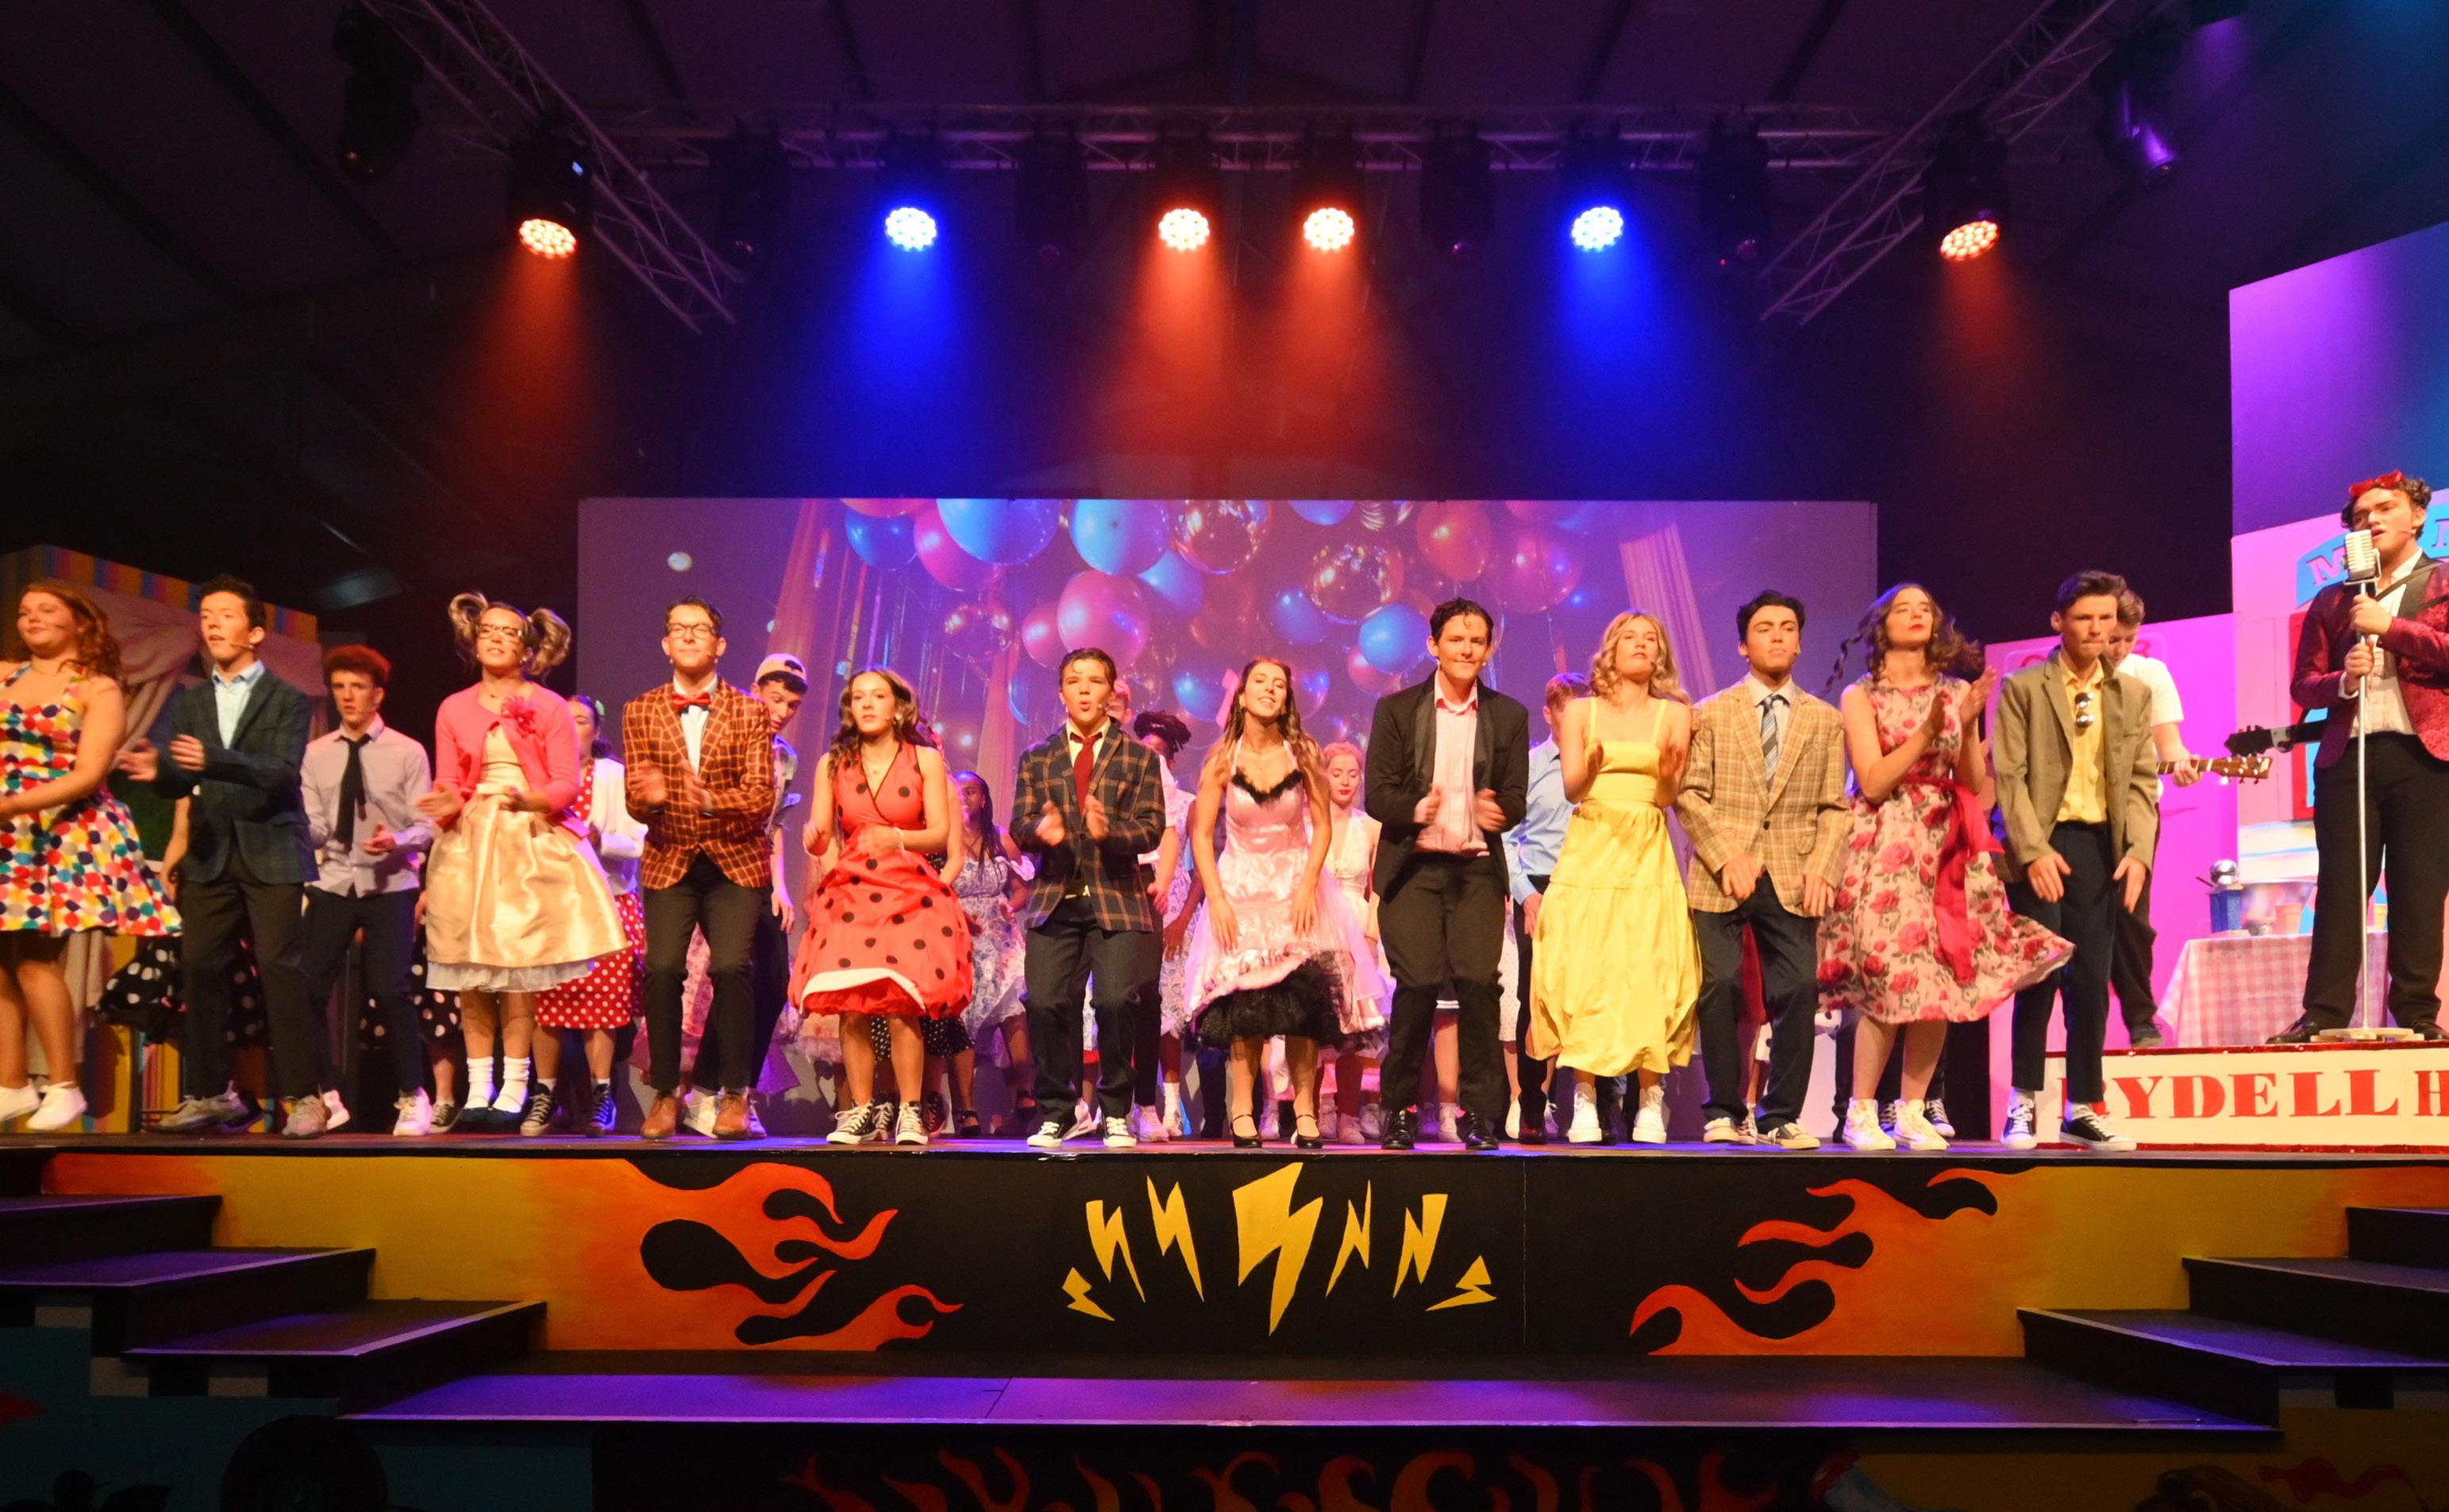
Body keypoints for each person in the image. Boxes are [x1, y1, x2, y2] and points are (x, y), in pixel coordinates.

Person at [1818, 584, 2069, 1149]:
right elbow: (1874, 781)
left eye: (1925, 609)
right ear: (1882, 624)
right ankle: (1861, 1110)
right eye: (1903, 608)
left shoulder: (1955, 690)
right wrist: (1929, 732)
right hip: (1887, 839)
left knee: (1938, 980)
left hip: (1946, 840)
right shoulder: (1861, 695)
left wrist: (1967, 725)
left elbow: (1973, 783)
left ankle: (1912, 1110)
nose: (1916, 615)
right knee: (1890, 976)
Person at [418, 594, 625, 1134]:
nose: (496, 638)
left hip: (526, 833)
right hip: (470, 839)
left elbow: (565, 782)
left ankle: (514, 1086)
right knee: (469, 970)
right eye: (488, 629)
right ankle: (477, 1087)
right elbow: (450, 778)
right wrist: (446, 800)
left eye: (509, 632)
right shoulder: (453, 707)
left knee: (517, 970)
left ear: (528, 649)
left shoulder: (549, 705)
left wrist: (528, 801)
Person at [121, 576, 321, 1136]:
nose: (212, 623)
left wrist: (215, 760)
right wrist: (159, 772)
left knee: (279, 970)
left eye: (226, 614)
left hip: (272, 848)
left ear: (254, 632)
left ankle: (306, 1097)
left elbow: (281, 772)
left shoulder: (287, 698)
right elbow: (185, 776)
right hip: (211, 851)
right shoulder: (192, 700)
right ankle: (211, 1093)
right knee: (200, 968)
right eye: (206, 614)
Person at [2273, 471, 2449, 1044]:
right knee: (2342, 890)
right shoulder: (2333, 598)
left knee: (2419, 888)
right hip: (2349, 758)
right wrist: (2343, 682)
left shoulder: (2444, 580)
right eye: (2360, 515)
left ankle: (2417, 1013)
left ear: (2417, 516)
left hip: (2424, 758)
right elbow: (2304, 685)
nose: (2370, 520)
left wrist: (2391, 629)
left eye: (2385, 508)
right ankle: (2323, 1013)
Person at [1183, 659, 1385, 1149]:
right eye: (1260, 681)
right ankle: (1243, 1112)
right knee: (1246, 1007)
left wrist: (1309, 883)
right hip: (1240, 888)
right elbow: (1201, 833)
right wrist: (1217, 898)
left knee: (1302, 1007)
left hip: (1295, 887)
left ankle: (1306, 1113)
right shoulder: (1223, 757)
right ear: (1243, 694)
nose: (1270, 689)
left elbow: (1322, 825)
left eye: (1279, 684)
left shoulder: (1303, 753)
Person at [1676, 592, 1850, 1152]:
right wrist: (1726, 855)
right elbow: (1689, 793)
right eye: (1764, 627)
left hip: (1792, 871)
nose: (1776, 636)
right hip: (1720, 872)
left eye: (1787, 627)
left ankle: (1780, 1115)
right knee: (1722, 982)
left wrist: (1823, 868)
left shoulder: (1824, 720)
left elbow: (1834, 806)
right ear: (1742, 645)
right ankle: (1725, 1109)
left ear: (1799, 642)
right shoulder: (1711, 712)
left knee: (1797, 985)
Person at [1, 583, 175, 1132]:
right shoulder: (4, 676)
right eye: (25, 612)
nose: (33, 619)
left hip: (56, 830)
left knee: (33, 956)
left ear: (79, 621)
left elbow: (89, 773)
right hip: (6, 832)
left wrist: (13, 804)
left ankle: (64, 1084)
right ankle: (10, 1082)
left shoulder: (97, 687)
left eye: (47, 610)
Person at [1997, 570, 2160, 1152]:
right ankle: (2021, 1102)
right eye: (2084, 618)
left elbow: (2142, 782)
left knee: (2091, 979)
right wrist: (2031, 850)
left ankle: (2082, 1106)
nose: (2096, 629)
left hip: (2098, 847)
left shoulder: (2132, 694)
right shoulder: (2023, 688)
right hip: (2041, 845)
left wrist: (2139, 853)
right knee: (2038, 975)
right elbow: (2008, 776)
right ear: (2058, 622)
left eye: (2105, 619)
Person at [1527, 612, 1700, 1146]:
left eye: (1651, 639)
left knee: (1647, 965)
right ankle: (1583, 1094)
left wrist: (1667, 772)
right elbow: (1574, 789)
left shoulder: (1675, 713)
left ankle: (1650, 1097)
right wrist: (1593, 763)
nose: (1642, 645)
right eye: (1631, 637)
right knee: (1586, 967)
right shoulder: (1581, 711)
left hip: (1645, 847)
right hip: (1592, 845)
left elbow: (1667, 796)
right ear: (1611, 649)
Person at [1365, 598, 1529, 1152]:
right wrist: (1416, 807)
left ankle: (1479, 1113)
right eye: (1456, 639)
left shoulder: (1508, 715)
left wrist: (1499, 812)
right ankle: (1400, 1109)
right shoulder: (1397, 710)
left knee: (1480, 984)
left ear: (1488, 649)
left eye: (1476, 640)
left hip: (1475, 869)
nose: (1466, 649)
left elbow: (1515, 797)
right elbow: (1377, 794)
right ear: (1434, 645)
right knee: (1416, 984)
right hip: (1413, 868)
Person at [792, 668, 972, 1147]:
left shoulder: (924, 759)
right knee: (851, 1003)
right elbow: (822, 835)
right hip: (851, 890)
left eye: (878, 696)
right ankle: (860, 1108)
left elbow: (939, 834)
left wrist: (895, 838)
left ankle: (910, 1110)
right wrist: (817, 843)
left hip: (906, 888)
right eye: (859, 697)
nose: (868, 704)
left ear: (898, 708)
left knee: (901, 1002)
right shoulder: (832, 763)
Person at [624, 597, 776, 1141]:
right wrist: (650, 800)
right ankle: (666, 1092)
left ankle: (735, 1094)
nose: (689, 635)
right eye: (679, 628)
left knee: (732, 968)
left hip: (734, 857)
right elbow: (635, 802)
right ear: (666, 643)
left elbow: (760, 797)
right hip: (670, 858)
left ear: (720, 644)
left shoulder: (750, 710)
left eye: (700, 628)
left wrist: (708, 799)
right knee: (663, 969)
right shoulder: (640, 709)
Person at [1012, 648, 1168, 1151]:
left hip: (1115, 898)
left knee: (1116, 1000)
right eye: (1074, 680)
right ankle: (1059, 1111)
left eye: (1095, 681)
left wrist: (1109, 833)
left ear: (1110, 691)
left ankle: (1116, 1110)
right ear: (1061, 693)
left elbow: (1152, 828)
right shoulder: (1037, 757)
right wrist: (1040, 831)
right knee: (1044, 1001)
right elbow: (1019, 823)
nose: (1083, 689)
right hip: (1056, 897)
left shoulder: (1139, 758)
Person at [295, 646, 436, 1135]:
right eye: (339, 687)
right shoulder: (316, 753)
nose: (347, 697)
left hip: (390, 882)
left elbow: (426, 825)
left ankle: (412, 1095)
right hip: (334, 879)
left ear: (378, 695)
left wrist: (396, 840)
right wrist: (299, 833)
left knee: (389, 987)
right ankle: (325, 1093)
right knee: (308, 987)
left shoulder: (407, 751)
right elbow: (314, 824)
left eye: (358, 687)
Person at [685, 652, 808, 1134]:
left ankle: (740, 1093)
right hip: (719, 871)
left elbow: (774, 827)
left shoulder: (785, 757)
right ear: (754, 692)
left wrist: (781, 887)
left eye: (792, 705)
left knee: (774, 983)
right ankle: (704, 1095)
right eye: (775, 699)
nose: (782, 711)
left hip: (758, 874)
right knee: (735, 977)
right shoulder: (724, 739)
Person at [529, 694, 646, 1136]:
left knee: (603, 1004)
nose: (569, 727)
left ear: (596, 731)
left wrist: (602, 842)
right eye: (561, 720)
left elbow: (637, 840)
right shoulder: (537, 779)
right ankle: (546, 1095)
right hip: (550, 905)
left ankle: (601, 1096)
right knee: (546, 1002)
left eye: (579, 721)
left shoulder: (614, 776)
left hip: (607, 903)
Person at [2104, 591, 2204, 1049]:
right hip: (2074, 811)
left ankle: (2141, 1017)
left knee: (2132, 916)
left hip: (2134, 811)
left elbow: (2170, 744)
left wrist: (2182, 763)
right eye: (2113, 638)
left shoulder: (2149, 673)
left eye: (2129, 639)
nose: (2120, 648)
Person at [1501, 674, 1583, 1144]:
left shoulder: (1599, 764)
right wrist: (1525, 894)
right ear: (1549, 714)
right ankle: (1531, 1102)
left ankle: (1592, 1104)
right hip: (1538, 887)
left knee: (1589, 995)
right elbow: (1506, 837)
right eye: (1566, 712)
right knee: (1535, 996)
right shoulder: (1530, 767)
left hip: (1590, 887)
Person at [948, 770, 1032, 1136]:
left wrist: (1012, 905)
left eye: (971, 791)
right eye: (958, 791)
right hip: (960, 934)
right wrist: (956, 915)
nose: (964, 797)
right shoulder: (944, 839)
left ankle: (1025, 1092)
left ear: (983, 799)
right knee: (963, 1019)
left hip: (999, 935)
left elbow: (1023, 888)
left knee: (1012, 1010)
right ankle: (967, 1110)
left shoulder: (1000, 838)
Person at [1134, 709, 1199, 1141]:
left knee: (1170, 1013)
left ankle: (1173, 1108)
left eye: (1158, 753)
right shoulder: (1127, 797)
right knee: (1133, 1003)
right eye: (1144, 752)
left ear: (1171, 761)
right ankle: (1130, 1106)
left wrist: (1182, 919)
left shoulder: (1188, 804)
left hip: (1174, 907)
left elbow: (1201, 871)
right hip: (1134, 901)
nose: (1150, 760)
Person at [1320, 739, 1385, 1145]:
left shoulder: (1371, 827)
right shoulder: (1308, 825)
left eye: (1353, 773)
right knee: (1315, 1028)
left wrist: (1371, 938)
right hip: (1317, 927)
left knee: (1354, 1030)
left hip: (1357, 929)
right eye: (1337, 773)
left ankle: (1348, 1116)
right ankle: (1317, 1112)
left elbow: (1378, 891)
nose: (1345, 781)